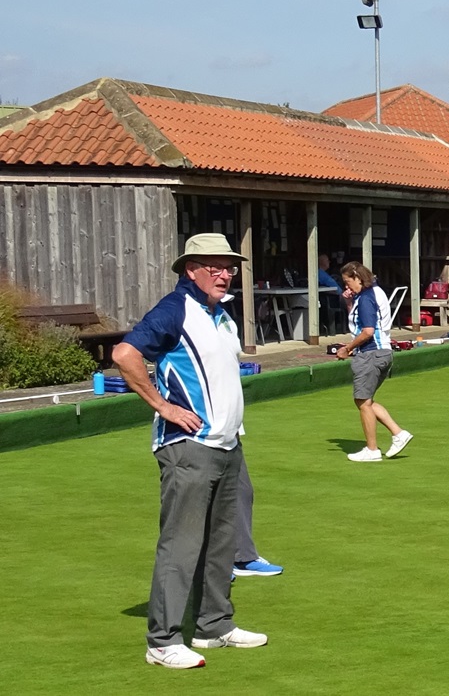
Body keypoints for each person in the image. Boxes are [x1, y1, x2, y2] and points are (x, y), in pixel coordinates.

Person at [112, 233, 268, 669]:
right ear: (190, 269)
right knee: (181, 545)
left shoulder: (221, 314)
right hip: (188, 447)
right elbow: (124, 355)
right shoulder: (175, 309)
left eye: (229, 266)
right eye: (214, 266)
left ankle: (214, 625)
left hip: (227, 444)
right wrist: (164, 407)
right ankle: (162, 640)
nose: (224, 273)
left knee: (222, 543)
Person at [336, 261, 414, 463]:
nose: (346, 287)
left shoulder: (366, 298)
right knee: (367, 401)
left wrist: (348, 348)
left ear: (357, 277)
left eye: (347, 282)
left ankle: (372, 450)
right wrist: (349, 302)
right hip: (381, 353)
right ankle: (398, 433)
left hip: (371, 354)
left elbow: (368, 331)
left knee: (362, 401)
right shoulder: (370, 294)